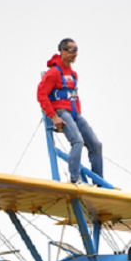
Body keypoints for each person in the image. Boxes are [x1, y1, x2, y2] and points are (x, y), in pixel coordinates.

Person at [36, 38, 103, 184]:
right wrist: (53, 116)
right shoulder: (53, 73)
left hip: (74, 114)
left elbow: (74, 97)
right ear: (63, 51)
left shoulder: (73, 75)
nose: (75, 54)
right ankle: (75, 178)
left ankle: (99, 181)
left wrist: (77, 115)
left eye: (76, 50)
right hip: (60, 112)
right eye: (72, 50)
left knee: (95, 144)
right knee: (77, 141)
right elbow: (41, 94)